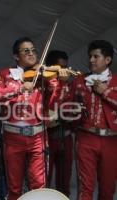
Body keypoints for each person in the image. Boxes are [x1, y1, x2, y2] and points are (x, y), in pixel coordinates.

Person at [0, 37, 69, 199]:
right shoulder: (4, 74)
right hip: (12, 137)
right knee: (14, 187)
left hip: (37, 137)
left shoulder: (43, 76)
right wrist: (19, 88)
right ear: (16, 56)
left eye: (33, 50)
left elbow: (54, 103)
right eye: (26, 51)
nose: (32, 54)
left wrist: (61, 83)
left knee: (38, 186)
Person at [70, 40, 117, 200]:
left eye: (96, 56)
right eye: (90, 56)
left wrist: (106, 92)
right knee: (85, 187)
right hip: (86, 137)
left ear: (108, 60)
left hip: (112, 140)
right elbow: (68, 108)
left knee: (108, 188)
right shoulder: (78, 81)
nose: (91, 60)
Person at [45, 50, 73, 197]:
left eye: (65, 67)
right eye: (59, 68)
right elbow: (51, 107)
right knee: (44, 179)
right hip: (47, 136)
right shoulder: (43, 83)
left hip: (65, 136)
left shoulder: (69, 84)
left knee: (64, 181)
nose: (63, 71)